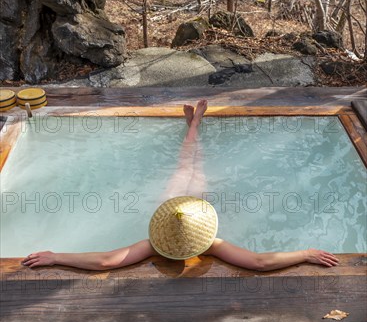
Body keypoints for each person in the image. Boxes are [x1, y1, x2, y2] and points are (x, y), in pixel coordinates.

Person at [22, 100, 339, 271]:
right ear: (201, 232)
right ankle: (195, 124)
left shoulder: (152, 244)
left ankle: (194, 124)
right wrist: (305, 253)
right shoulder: (212, 243)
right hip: (184, 204)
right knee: (193, 165)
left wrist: (58, 256)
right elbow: (258, 262)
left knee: (187, 165)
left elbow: (106, 261)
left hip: (173, 201)